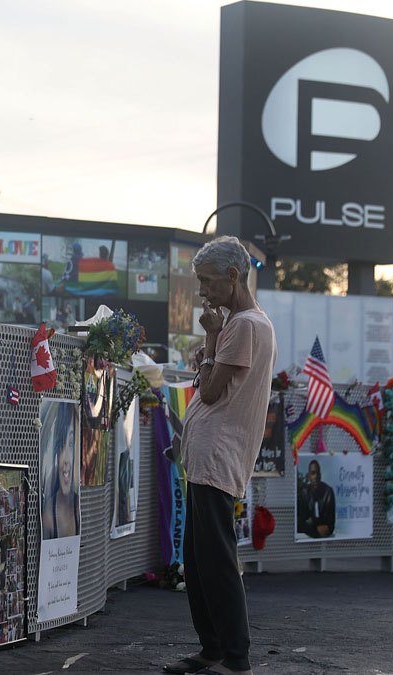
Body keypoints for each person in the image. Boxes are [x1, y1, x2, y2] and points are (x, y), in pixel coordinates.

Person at [165, 236, 276, 675]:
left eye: (207, 281)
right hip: (209, 456)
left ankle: (234, 656)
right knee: (198, 561)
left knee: (215, 561)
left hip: (217, 456)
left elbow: (210, 392)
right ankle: (213, 649)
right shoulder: (246, 323)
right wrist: (212, 346)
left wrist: (211, 339)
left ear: (233, 276)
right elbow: (213, 385)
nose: (202, 292)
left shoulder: (244, 325)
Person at [40, 406, 79, 539]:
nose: (66, 459)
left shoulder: (82, 509)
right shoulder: (49, 517)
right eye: (61, 445)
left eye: (71, 444)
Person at [297, 459, 336, 538]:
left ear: (320, 476)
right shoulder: (304, 493)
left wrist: (312, 526)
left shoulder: (328, 492)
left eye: (318, 473)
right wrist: (315, 528)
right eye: (313, 473)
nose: (316, 477)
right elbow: (299, 523)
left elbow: (330, 524)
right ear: (309, 476)